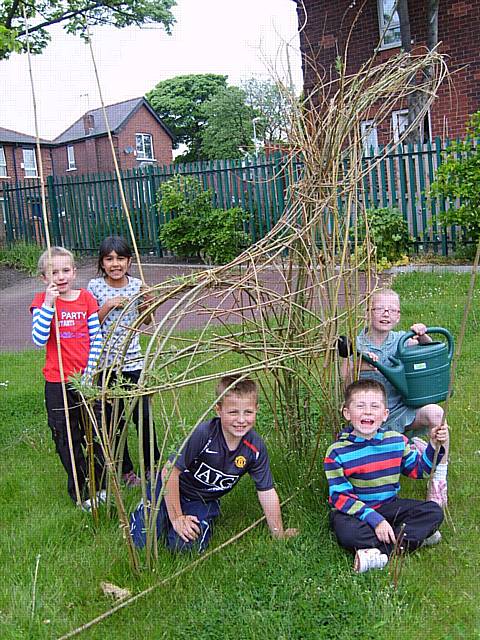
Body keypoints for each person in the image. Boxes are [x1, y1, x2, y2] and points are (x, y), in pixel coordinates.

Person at [130, 376, 298, 552]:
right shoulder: (204, 434)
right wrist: (177, 517)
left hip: (202, 500)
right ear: (218, 409)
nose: (241, 420)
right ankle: (154, 511)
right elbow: (169, 472)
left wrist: (279, 534)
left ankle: (196, 521)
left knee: (184, 547)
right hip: (168, 489)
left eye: (248, 412)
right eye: (233, 412)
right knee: (142, 541)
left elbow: (267, 492)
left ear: (256, 410)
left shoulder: (255, 448)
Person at [324, 379, 446, 574]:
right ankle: (410, 540)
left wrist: (433, 445)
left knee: (433, 512)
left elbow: (420, 470)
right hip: (355, 512)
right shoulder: (337, 452)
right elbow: (340, 497)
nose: (368, 412)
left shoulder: (396, 441)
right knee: (346, 532)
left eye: (375, 406)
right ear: (347, 413)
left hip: (389, 506)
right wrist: (375, 520)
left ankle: (379, 554)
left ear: (384, 414)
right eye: (360, 406)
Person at [342, 288, 449, 507]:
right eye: (380, 309)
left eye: (392, 310)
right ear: (368, 312)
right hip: (368, 415)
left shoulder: (403, 340)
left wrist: (422, 335)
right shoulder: (358, 344)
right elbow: (345, 384)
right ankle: (410, 450)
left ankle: (438, 482)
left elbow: (431, 354)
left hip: (401, 410)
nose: (386, 314)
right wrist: (358, 365)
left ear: (399, 315)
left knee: (437, 414)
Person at [31, 247, 105, 508]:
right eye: (54, 272)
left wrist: (89, 373)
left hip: (85, 380)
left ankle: (101, 484)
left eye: (65, 270)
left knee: (94, 432)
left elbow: (97, 338)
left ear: (74, 272)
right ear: (44, 277)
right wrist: (49, 304)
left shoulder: (85, 299)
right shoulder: (42, 301)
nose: (60, 276)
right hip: (57, 381)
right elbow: (39, 339)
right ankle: (82, 490)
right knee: (66, 436)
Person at [87, 236, 159, 487]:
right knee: (114, 419)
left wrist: (148, 304)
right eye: (109, 259)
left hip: (133, 362)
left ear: (129, 261)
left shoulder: (138, 285)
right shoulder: (94, 287)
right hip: (106, 365)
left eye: (120, 258)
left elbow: (147, 321)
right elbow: (90, 324)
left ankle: (152, 467)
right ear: (102, 263)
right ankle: (125, 470)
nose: (115, 264)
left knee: (144, 415)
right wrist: (107, 306)